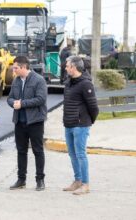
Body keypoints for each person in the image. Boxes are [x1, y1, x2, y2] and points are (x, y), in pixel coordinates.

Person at [7, 56, 47, 191]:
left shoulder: (39, 80)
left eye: (16, 68)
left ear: (24, 67)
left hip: (35, 121)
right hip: (19, 122)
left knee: (38, 151)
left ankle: (40, 180)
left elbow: (41, 99)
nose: (14, 70)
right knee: (21, 151)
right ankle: (21, 180)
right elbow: (10, 98)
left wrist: (22, 104)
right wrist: (13, 103)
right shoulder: (16, 81)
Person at [63, 56, 99, 195]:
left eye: (67, 66)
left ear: (74, 67)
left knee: (80, 154)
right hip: (68, 124)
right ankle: (77, 181)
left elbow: (94, 107)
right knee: (72, 154)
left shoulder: (86, 84)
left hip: (80, 125)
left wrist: (88, 122)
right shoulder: (68, 83)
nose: (65, 68)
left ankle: (85, 184)